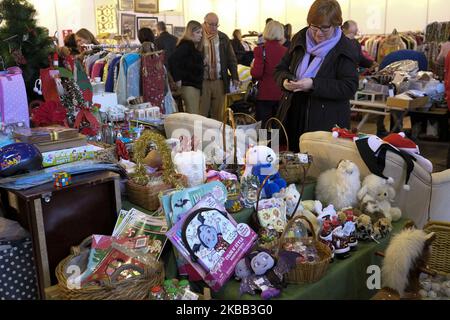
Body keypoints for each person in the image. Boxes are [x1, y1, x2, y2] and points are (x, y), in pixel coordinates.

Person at [274, 0, 358, 152]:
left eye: (325, 28)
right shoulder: (300, 38)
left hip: (325, 123)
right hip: (292, 115)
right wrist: (284, 81)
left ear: (337, 24)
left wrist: (313, 84)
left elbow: (349, 87)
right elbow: (280, 69)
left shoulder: (345, 48)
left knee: (317, 170)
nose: (318, 33)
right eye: (314, 27)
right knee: (291, 165)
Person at [200, 12, 239, 121]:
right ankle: (201, 137)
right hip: (203, 81)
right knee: (201, 114)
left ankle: (217, 136)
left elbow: (231, 58)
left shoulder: (223, 37)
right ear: (204, 23)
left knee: (219, 115)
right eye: (211, 24)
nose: (213, 27)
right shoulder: (199, 36)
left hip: (219, 80)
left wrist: (235, 76)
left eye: (216, 25)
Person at [250, 21, 287, 127]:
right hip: (281, 94)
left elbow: (257, 73)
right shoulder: (286, 51)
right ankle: (275, 143)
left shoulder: (260, 50)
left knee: (264, 126)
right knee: (277, 125)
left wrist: (252, 68)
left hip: (264, 94)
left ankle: (264, 144)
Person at [169, 20, 204, 115]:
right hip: (189, 86)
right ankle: (193, 130)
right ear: (190, 33)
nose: (200, 35)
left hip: (192, 85)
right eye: (198, 32)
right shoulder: (186, 46)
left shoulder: (190, 46)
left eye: (201, 33)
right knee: (193, 116)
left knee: (193, 115)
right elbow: (173, 60)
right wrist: (178, 79)